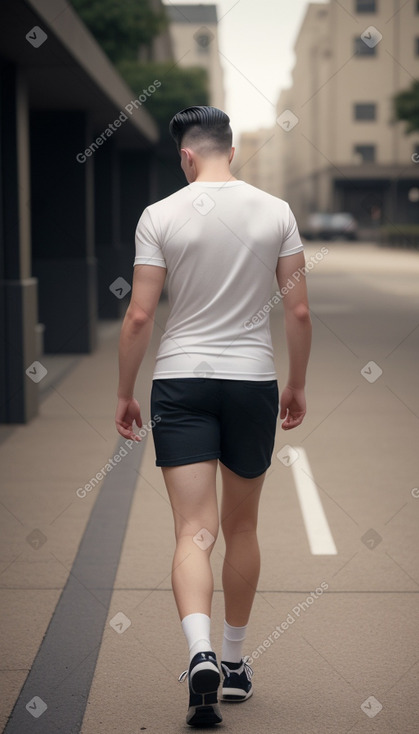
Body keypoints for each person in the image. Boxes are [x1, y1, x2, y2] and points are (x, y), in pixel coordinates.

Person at [115, 106, 312, 727]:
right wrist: (296, 386)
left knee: (193, 532)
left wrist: (126, 391)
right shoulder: (275, 211)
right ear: (229, 149)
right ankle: (232, 663)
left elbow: (140, 316)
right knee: (242, 528)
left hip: (181, 382)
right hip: (253, 381)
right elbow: (299, 313)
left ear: (186, 155)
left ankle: (196, 652)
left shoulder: (160, 215)